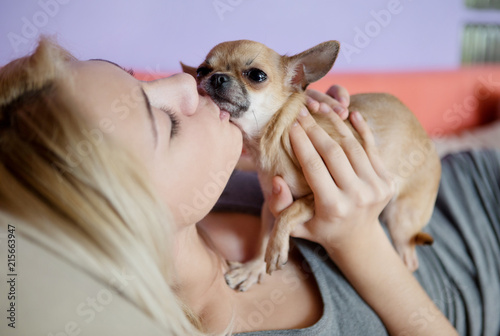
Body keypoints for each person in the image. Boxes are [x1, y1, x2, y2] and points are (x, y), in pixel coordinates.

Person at [0, 37, 498, 335]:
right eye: (166, 123)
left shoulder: (229, 176)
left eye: (137, 80)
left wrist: (360, 134)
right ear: (123, 216)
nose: (186, 83)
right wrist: (357, 238)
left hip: (471, 175)